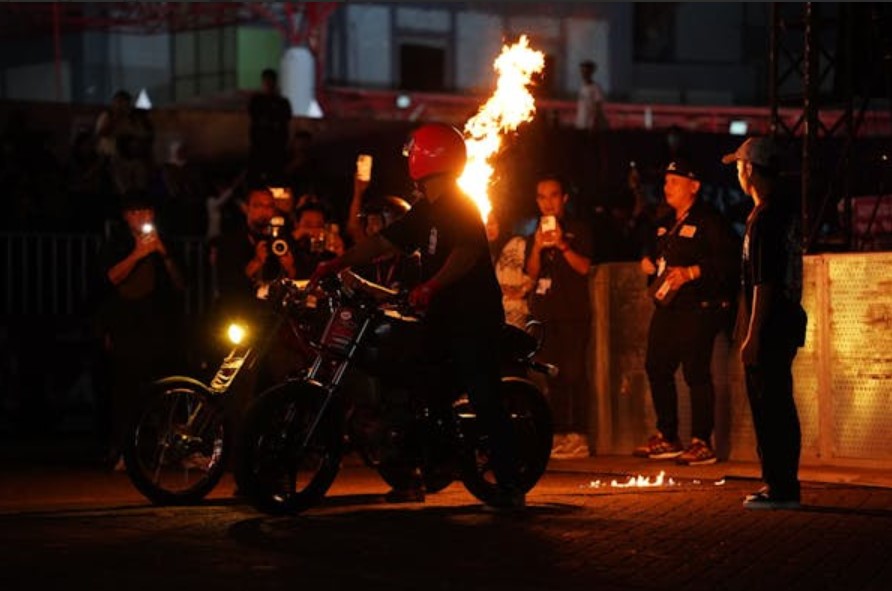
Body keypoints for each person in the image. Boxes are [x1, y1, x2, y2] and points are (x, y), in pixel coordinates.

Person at [310, 123, 524, 509]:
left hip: (472, 319)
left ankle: (511, 484)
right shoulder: (426, 210)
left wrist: (431, 285)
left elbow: (466, 253)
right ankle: (426, 458)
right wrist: (338, 263)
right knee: (412, 381)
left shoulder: (461, 205)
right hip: (440, 317)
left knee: (484, 397)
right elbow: (383, 242)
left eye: (414, 152)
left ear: (426, 158)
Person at [634, 161, 739, 466]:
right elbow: (655, 254)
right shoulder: (664, 221)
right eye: (666, 181)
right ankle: (668, 436)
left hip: (699, 307)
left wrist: (692, 272)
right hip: (668, 305)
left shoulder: (710, 220)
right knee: (656, 366)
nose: (667, 188)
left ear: (694, 186)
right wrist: (648, 263)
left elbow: (730, 261)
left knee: (696, 372)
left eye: (675, 182)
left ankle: (701, 441)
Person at [723, 137, 806, 509]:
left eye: (739, 167)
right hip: (784, 324)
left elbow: (764, 282)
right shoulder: (783, 213)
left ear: (750, 170)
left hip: (769, 329)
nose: (738, 175)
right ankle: (782, 483)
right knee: (779, 405)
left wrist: (753, 334)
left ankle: (780, 486)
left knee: (769, 407)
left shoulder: (764, 219)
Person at [96, 193, 185, 469]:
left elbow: (181, 283)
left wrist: (163, 254)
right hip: (127, 325)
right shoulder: (117, 243)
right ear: (126, 217)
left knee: (167, 386)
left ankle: (172, 448)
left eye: (145, 211)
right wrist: (138, 254)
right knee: (125, 390)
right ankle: (123, 450)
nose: (141, 217)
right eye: (134, 212)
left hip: (160, 324)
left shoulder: (164, 242)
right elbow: (110, 278)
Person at [525, 174, 593, 460]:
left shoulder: (578, 229)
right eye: (541, 197)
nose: (547, 203)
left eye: (553, 195)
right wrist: (538, 247)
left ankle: (579, 434)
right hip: (545, 315)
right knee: (552, 377)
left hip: (573, 313)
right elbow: (531, 273)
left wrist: (563, 245)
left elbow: (585, 267)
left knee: (575, 374)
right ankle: (560, 433)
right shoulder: (535, 232)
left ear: (564, 198)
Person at [486, 212, 533, 329]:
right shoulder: (487, 251)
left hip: (514, 316)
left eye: (492, 223)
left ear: (502, 223)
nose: (488, 228)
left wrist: (521, 291)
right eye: (485, 224)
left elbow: (533, 273)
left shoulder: (518, 244)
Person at [248, 69, 293, 187]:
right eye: (266, 82)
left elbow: (285, 121)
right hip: (260, 147)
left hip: (277, 148)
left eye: (270, 82)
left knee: (276, 178)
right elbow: (255, 118)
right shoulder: (257, 101)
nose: (268, 85)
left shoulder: (282, 102)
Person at [575, 60, 606, 134]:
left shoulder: (596, 88)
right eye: (582, 71)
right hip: (580, 124)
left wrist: (594, 123)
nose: (583, 74)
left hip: (590, 125)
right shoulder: (582, 87)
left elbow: (598, 107)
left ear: (590, 73)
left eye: (586, 72)